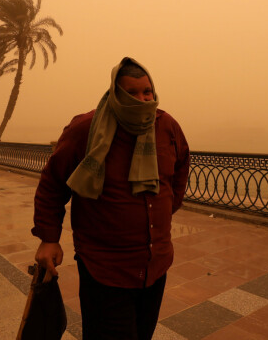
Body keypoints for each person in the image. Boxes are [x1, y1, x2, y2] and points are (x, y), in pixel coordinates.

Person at [32, 57, 190, 340]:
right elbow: (53, 182)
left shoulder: (167, 127)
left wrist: (163, 211)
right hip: (104, 268)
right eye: (131, 93)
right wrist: (49, 237)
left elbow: (180, 171)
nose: (142, 99)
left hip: (155, 264)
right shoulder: (87, 129)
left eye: (147, 92)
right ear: (115, 93)